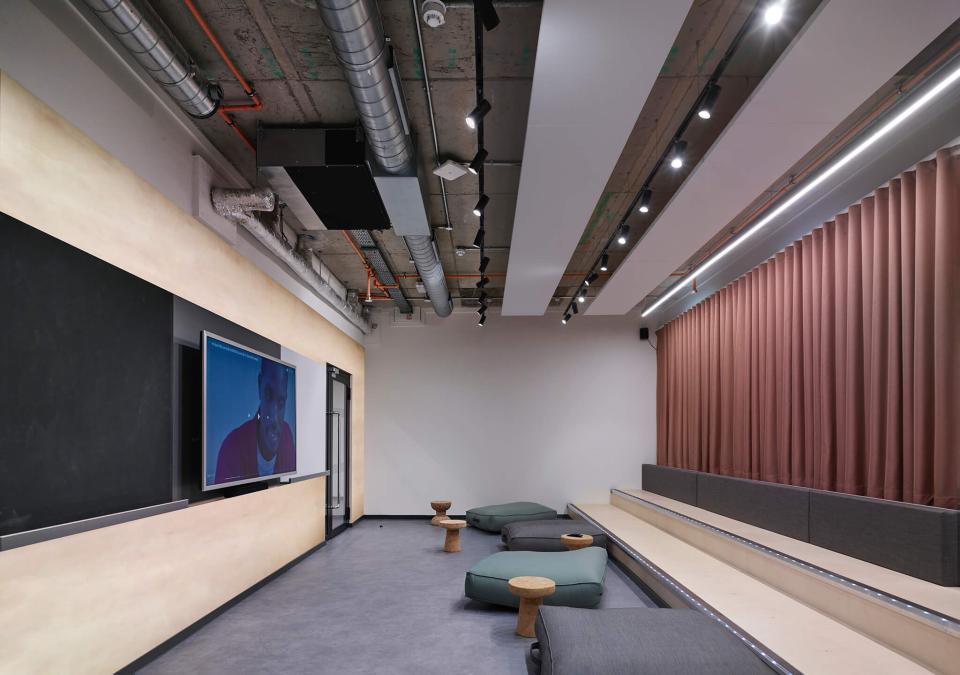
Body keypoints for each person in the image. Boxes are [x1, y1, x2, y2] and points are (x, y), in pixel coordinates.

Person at [214, 358, 295, 484]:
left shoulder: (287, 436)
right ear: (259, 385)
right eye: (268, 396)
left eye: (281, 402)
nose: (273, 416)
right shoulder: (231, 448)